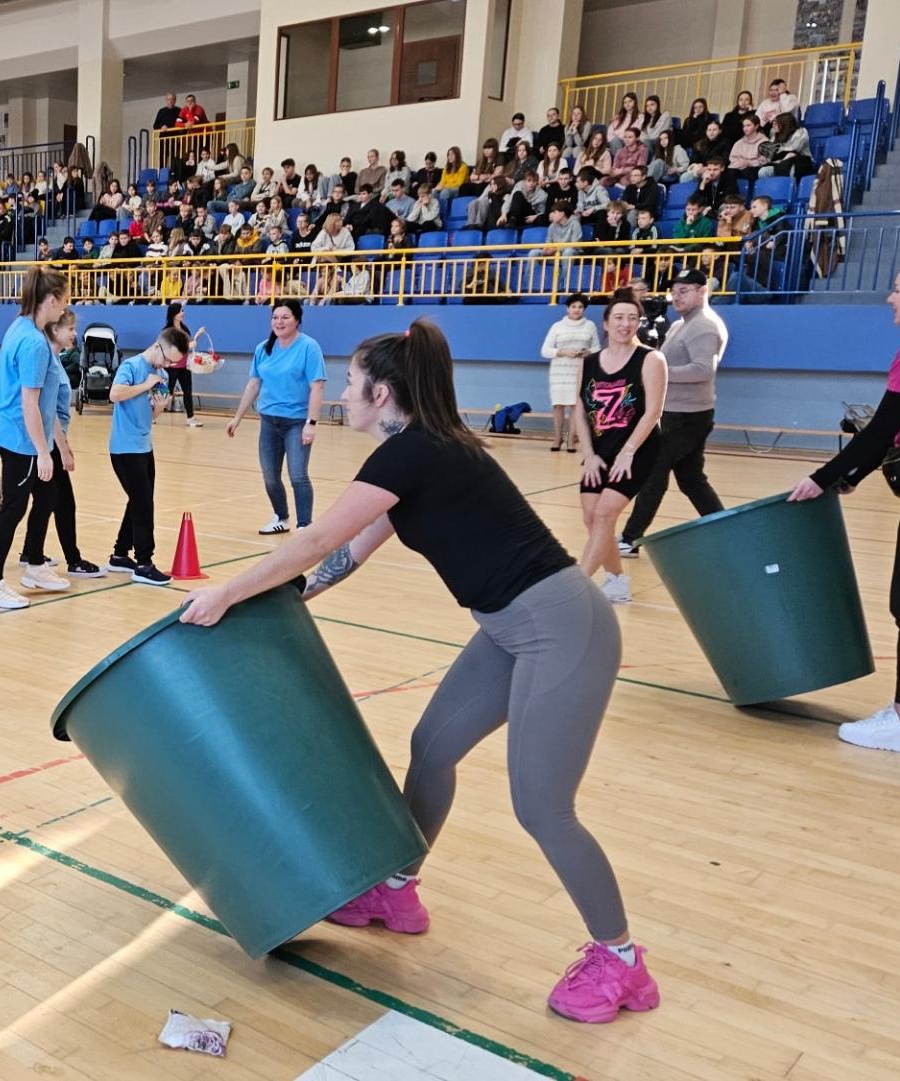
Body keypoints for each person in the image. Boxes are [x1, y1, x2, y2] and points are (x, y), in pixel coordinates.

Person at [178, 321, 659, 1025]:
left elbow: (316, 538)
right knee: (431, 749)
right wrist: (286, 598)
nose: (342, 393)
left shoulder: (414, 454)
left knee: (542, 806)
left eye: (350, 382)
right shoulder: (419, 454)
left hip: (564, 628)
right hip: (509, 626)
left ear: (382, 391)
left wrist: (226, 592)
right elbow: (347, 555)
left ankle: (621, 960)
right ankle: (399, 888)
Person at [788, 256, 900, 753]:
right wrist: (854, 475)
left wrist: (823, 479)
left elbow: (879, 432)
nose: (891, 297)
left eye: (898, 288)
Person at [0, 267, 72, 609]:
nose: (64, 308)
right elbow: (29, 403)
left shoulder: (22, 324)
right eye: (63, 302)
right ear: (49, 300)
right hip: (21, 438)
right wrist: (43, 453)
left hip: (24, 434)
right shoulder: (33, 342)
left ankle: (34, 564)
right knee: (13, 510)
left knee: (47, 496)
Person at [618, 269, 726, 554]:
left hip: (683, 415)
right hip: (684, 412)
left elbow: (703, 370)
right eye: (674, 291)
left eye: (685, 290)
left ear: (702, 291)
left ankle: (630, 539)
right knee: (691, 479)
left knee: (654, 474)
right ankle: (726, 529)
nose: (676, 296)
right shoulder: (682, 324)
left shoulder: (704, 326)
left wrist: (659, 373)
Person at [574, 291, 668, 604]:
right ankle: (616, 581)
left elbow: (654, 410)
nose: (625, 324)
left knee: (603, 515)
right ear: (605, 324)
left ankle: (577, 589)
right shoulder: (588, 363)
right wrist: (587, 454)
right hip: (599, 449)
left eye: (632, 318)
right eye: (618, 317)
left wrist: (628, 451)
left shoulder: (651, 359)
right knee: (591, 518)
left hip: (637, 449)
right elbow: (578, 407)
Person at [227, 299, 326, 534]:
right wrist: (237, 417)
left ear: (297, 320)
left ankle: (304, 525)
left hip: (296, 422)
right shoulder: (263, 348)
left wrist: (311, 423)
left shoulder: (309, 347)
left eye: (285, 317)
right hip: (269, 421)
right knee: (270, 476)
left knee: (298, 475)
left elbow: (317, 387)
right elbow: (254, 384)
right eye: (275, 317)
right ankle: (281, 518)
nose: (279, 322)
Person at [106, 327, 189, 585]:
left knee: (139, 499)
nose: (167, 365)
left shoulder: (160, 374)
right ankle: (144, 563)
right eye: (166, 359)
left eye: (172, 363)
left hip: (144, 446)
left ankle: (120, 554)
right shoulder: (131, 366)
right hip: (124, 448)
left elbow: (151, 416)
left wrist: (160, 406)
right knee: (143, 505)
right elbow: (114, 394)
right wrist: (145, 385)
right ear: (157, 346)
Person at [41, 311, 102, 579]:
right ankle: (73, 560)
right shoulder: (49, 363)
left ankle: (31, 552)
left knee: (45, 501)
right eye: (71, 329)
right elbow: (48, 411)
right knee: (63, 502)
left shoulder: (54, 360)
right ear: (55, 330)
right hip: (48, 443)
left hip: (51, 440)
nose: (75, 334)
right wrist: (62, 448)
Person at [541, 296, 600, 452]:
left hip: (580, 369)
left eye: (580, 307)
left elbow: (597, 349)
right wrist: (563, 352)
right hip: (560, 370)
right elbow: (545, 350)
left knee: (576, 406)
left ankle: (571, 439)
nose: (576, 309)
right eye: (573, 306)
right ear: (568, 308)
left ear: (584, 309)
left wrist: (587, 352)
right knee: (558, 405)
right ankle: (557, 438)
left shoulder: (590, 326)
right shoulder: (557, 326)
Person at [163, 302, 202, 426]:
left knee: (188, 392)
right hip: (172, 367)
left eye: (183, 311)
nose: (183, 313)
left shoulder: (185, 329)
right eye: (180, 311)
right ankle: (152, 414)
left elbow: (189, 344)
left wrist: (197, 337)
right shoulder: (168, 331)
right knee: (167, 392)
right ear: (174, 314)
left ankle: (190, 418)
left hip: (184, 367)